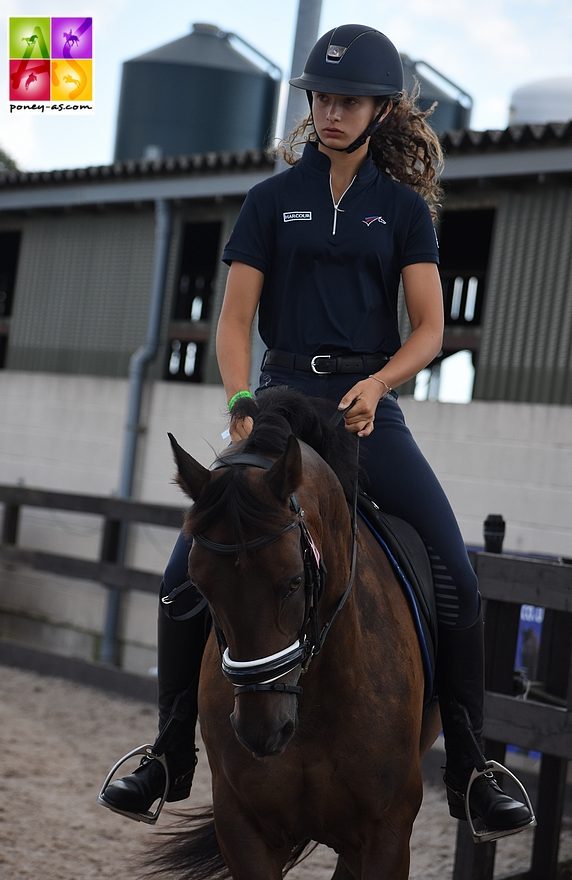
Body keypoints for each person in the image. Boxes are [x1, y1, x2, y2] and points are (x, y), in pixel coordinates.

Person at [99, 23, 534, 840]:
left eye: (348, 100)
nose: (331, 111)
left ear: (379, 110)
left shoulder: (402, 211)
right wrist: (238, 399)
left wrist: (380, 383)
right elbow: (234, 322)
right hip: (278, 401)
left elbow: (430, 329)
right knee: (178, 573)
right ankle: (167, 754)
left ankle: (473, 766)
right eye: (322, 97)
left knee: (459, 576)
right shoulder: (270, 201)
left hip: (366, 405)